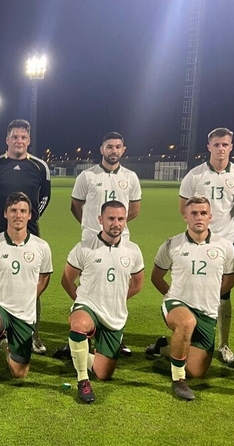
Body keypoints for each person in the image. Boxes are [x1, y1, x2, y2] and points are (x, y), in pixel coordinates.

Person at [57, 131, 141, 359]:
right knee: (85, 286)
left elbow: (134, 209)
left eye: (118, 147)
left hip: (120, 240)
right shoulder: (87, 176)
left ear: (123, 150)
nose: (114, 150)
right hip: (91, 240)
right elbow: (76, 206)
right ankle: (76, 335)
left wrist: (115, 225)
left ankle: (116, 337)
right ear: (101, 149)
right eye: (109, 146)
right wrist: (91, 227)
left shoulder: (131, 177)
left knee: (117, 287)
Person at [146, 196, 234, 401]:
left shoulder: (225, 246)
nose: (199, 217)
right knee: (186, 322)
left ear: (210, 216)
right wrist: (172, 297)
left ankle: (163, 348)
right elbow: (156, 277)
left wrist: (209, 295)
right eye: (194, 213)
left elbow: (230, 280)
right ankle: (178, 380)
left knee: (197, 371)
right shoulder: (172, 245)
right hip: (177, 304)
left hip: (207, 312)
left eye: (203, 213)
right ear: (185, 216)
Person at [0, 119, 51, 354]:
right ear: (7, 140)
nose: (19, 141)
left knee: (30, 280)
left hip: (29, 231)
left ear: (28, 140)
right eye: (14, 137)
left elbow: (44, 198)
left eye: (23, 137)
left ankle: (33, 335)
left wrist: (28, 217)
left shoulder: (40, 167)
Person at [61, 200, 144, 403]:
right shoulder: (84, 248)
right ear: (100, 220)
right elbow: (67, 280)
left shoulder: (133, 250)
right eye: (110, 218)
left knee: (103, 373)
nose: (115, 223)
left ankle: (77, 353)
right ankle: (82, 381)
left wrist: (115, 299)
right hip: (88, 306)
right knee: (79, 323)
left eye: (120, 219)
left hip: (114, 315)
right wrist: (82, 303)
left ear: (125, 221)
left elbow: (137, 284)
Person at [178, 127, 234, 364]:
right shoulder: (194, 176)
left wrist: (220, 234)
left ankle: (224, 344)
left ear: (231, 146)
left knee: (224, 294)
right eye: (216, 144)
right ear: (208, 147)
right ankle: (187, 337)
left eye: (225, 144)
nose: (221, 149)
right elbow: (184, 210)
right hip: (197, 243)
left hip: (227, 242)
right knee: (193, 289)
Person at [0, 192, 52, 401]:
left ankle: (6, 345)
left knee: (20, 373)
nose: (18, 215)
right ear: (5, 214)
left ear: (30, 216)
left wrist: (28, 296)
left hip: (24, 314)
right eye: (13, 211)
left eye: (22, 211)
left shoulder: (41, 247)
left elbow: (44, 278)